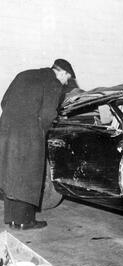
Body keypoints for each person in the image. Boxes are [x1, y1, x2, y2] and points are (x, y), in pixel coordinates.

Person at [0, 59, 76, 230]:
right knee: (28, 177)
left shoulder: (24, 74)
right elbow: (48, 114)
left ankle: (12, 220)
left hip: (6, 131)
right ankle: (25, 221)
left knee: (12, 176)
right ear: (62, 72)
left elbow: (4, 101)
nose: (66, 83)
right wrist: (39, 130)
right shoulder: (53, 82)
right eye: (67, 78)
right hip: (28, 135)